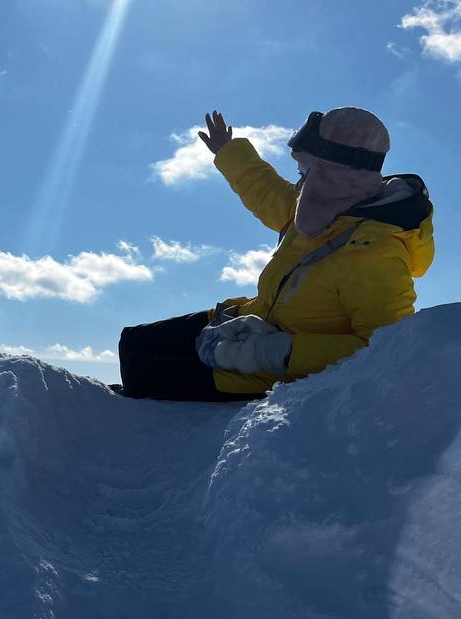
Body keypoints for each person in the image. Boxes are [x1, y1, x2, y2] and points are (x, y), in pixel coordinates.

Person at [118, 107, 434, 401]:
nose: (300, 179)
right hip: (240, 322)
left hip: (260, 370)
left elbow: (383, 349)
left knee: (143, 375)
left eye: (306, 169)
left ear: (332, 174)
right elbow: (267, 192)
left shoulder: (376, 253)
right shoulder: (317, 210)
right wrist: (228, 152)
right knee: (133, 343)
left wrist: (278, 351)